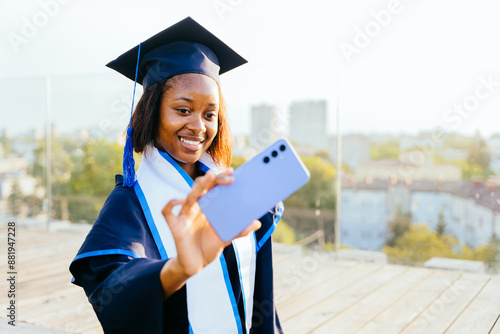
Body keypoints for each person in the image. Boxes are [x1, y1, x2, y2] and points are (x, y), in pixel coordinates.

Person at [69, 17, 284, 334]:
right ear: (152, 111)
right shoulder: (130, 203)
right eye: (183, 110)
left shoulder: (233, 190)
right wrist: (179, 268)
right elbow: (113, 292)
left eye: (209, 114)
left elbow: (260, 300)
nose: (199, 126)